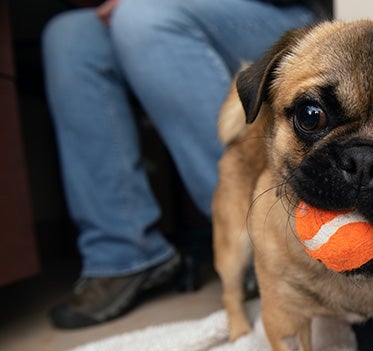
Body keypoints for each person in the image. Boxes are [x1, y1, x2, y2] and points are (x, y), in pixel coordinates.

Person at [42, 0, 332, 329]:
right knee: (69, 37)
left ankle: (259, 237)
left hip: (279, 9)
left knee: (144, 20)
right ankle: (125, 252)